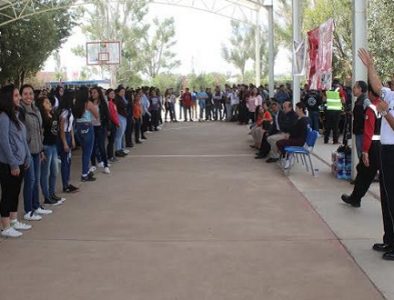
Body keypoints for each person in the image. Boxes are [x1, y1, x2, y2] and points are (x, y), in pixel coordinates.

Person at [359, 48, 394, 260]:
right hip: (386, 150)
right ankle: (389, 238)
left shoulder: (387, 103)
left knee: (393, 197)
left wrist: (385, 111)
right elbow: (377, 85)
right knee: (386, 197)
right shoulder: (390, 95)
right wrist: (370, 66)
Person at [341, 86, 381, 208]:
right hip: (386, 147)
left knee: (364, 174)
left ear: (370, 93)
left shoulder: (371, 108)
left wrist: (365, 151)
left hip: (374, 147)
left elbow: (368, 132)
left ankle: (355, 199)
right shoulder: (387, 105)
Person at [0, 85, 32, 238]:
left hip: (20, 160)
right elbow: (4, 142)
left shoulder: (16, 115)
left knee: (15, 192)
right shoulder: (3, 117)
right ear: (8, 98)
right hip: (8, 163)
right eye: (16, 95)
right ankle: (5, 226)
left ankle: (13, 220)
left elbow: (22, 139)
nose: (19, 98)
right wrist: (13, 163)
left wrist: (27, 155)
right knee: (7, 193)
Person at [19, 84, 52, 221]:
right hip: (27, 152)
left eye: (31, 93)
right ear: (21, 96)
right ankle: (28, 211)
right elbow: (21, 134)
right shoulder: (20, 111)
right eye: (25, 94)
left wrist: (41, 150)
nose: (28, 96)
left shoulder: (36, 109)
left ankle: (36, 206)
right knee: (30, 180)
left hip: (37, 150)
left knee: (36, 179)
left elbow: (39, 131)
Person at [36, 96, 65, 206]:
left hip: (53, 146)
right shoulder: (42, 117)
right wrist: (41, 149)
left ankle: (52, 193)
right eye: (46, 102)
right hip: (46, 146)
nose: (49, 104)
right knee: (46, 173)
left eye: (49, 102)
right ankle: (47, 196)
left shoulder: (53, 114)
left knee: (54, 171)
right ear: (41, 105)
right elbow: (41, 133)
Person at [73, 86, 99, 182]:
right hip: (87, 126)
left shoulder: (76, 103)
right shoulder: (88, 103)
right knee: (87, 152)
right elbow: (96, 115)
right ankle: (84, 174)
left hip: (78, 127)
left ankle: (86, 171)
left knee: (85, 151)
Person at [276, 102, 310, 169]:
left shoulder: (303, 120)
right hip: (295, 137)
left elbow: (299, 132)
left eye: (296, 108)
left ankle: (288, 157)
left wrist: (289, 135)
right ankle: (287, 156)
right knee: (281, 142)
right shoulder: (300, 118)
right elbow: (294, 129)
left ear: (301, 109)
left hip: (299, 141)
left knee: (279, 143)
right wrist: (288, 134)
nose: (295, 109)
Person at [58, 89, 79, 193]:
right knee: (65, 162)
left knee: (69, 161)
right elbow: (62, 129)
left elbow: (70, 127)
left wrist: (73, 139)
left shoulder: (69, 110)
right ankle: (65, 185)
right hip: (64, 136)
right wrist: (65, 142)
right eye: (73, 97)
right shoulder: (64, 112)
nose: (75, 99)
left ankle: (68, 182)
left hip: (69, 136)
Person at [90, 87, 110, 174]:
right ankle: (93, 165)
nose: (92, 94)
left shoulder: (103, 103)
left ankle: (105, 165)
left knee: (101, 147)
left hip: (101, 128)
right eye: (91, 93)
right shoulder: (89, 103)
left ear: (99, 93)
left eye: (94, 92)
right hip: (91, 127)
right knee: (92, 147)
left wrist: (108, 128)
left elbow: (107, 116)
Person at [323, 79, 346, 144]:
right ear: (338, 84)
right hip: (337, 111)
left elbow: (324, 99)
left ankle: (326, 140)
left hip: (328, 110)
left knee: (328, 125)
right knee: (335, 126)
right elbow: (343, 101)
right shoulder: (339, 91)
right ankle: (335, 140)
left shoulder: (327, 90)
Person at [352, 80, 369, 158]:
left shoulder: (365, 101)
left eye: (355, 87)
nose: (353, 89)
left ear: (360, 89)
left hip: (362, 133)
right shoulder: (359, 100)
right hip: (359, 132)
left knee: (362, 157)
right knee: (360, 156)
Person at [114, 86, 129, 157]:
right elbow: (124, 105)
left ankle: (120, 149)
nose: (123, 93)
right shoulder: (117, 99)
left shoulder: (121, 98)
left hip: (123, 117)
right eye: (122, 92)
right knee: (119, 135)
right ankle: (118, 150)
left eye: (124, 92)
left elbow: (126, 104)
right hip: (119, 116)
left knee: (121, 134)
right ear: (118, 92)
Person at [106, 89, 120, 162]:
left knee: (111, 141)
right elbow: (112, 115)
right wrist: (117, 123)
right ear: (108, 95)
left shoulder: (112, 102)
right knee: (111, 141)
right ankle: (110, 156)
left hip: (113, 123)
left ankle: (110, 155)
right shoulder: (110, 103)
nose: (113, 95)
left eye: (113, 93)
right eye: (111, 93)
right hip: (112, 124)